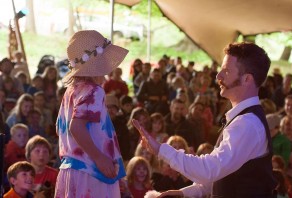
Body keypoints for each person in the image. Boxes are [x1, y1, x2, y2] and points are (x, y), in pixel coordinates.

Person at [132, 42, 277, 197]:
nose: (218, 76)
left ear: (247, 79)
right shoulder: (244, 120)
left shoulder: (247, 123)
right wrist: (185, 193)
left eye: (226, 71)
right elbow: (221, 174)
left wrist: (161, 149)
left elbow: (210, 170)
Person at [54, 30, 128, 197]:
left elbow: (60, 129)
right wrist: (100, 158)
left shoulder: (70, 91)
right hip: (90, 171)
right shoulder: (94, 91)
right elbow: (76, 127)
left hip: (70, 169)